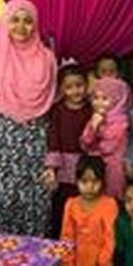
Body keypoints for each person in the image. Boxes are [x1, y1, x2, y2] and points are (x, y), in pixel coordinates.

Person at [0, 0, 57, 237]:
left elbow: (52, 106)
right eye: (15, 20)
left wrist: (54, 152)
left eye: (28, 21)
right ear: (5, 22)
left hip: (37, 141)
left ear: (35, 25)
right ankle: (7, 254)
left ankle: (37, 256)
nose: (21, 26)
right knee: (4, 201)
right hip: (1, 142)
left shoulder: (46, 58)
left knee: (38, 202)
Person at [53, 155, 119, 266]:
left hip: (97, 265)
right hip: (76, 264)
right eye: (84, 181)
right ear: (77, 181)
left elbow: (110, 241)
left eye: (95, 181)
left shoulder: (109, 204)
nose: (90, 187)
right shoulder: (71, 204)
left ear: (103, 182)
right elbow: (66, 238)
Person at [42, 64, 93, 238]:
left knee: (84, 205)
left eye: (79, 85)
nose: (75, 91)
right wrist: (51, 168)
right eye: (69, 87)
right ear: (61, 89)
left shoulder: (91, 110)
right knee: (62, 207)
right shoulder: (57, 110)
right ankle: (60, 243)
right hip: (63, 168)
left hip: (85, 167)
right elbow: (53, 138)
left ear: (86, 85)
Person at [80, 77, 132, 198]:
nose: (98, 103)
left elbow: (108, 148)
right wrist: (93, 127)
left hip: (114, 169)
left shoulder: (121, 121)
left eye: (105, 99)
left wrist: (94, 143)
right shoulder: (96, 118)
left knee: (112, 199)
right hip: (97, 167)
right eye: (95, 98)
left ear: (117, 100)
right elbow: (85, 144)